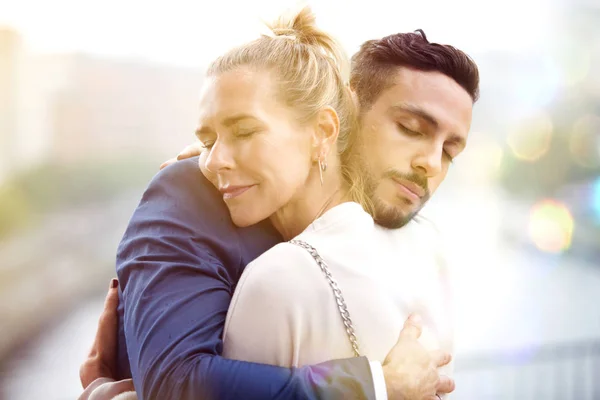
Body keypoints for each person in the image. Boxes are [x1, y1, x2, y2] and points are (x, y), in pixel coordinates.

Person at [80, 6, 479, 400]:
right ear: (346, 113)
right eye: (410, 129)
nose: (429, 163)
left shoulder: (418, 246)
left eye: (449, 152)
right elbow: (174, 381)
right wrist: (374, 385)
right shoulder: (193, 196)